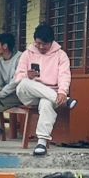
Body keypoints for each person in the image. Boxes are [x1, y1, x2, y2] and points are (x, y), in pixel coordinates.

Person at [14, 23, 77, 157]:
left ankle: (41, 143)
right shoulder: (27, 54)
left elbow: (64, 75)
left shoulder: (61, 55)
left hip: (50, 93)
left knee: (46, 103)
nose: (41, 47)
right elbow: (18, 77)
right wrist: (27, 75)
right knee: (23, 82)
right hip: (29, 93)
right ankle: (65, 101)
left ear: (51, 42)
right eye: (38, 43)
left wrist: (62, 91)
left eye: (45, 44)